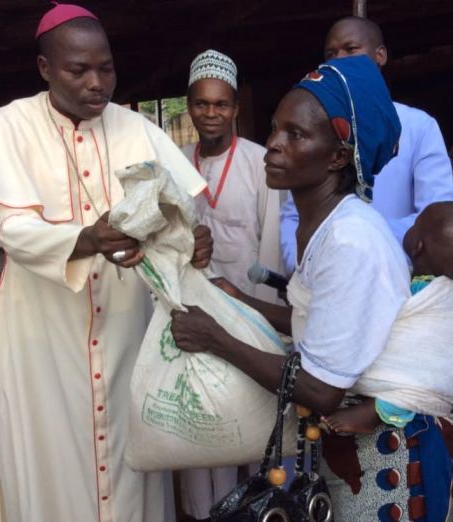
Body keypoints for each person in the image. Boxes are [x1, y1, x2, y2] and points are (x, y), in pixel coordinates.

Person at [171, 55, 453, 522]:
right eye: (274, 128)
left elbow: (320, 390)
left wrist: (215, 339)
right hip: (357, 454)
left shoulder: (350, 239)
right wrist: (240, 300)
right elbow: (322, 322)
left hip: (391, 464)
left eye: (295, 135)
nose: (273, 146)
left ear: (338, 156)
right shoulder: (327, 225)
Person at [0, 5, 213, 521]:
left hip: (126, 325)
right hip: (42, 332)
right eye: (79, 70)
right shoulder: (6, 127)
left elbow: (178, 209)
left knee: (129, 454)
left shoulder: (134, 127)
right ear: (45, 67)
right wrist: (85, 239)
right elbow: (10, 229)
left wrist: (192, 239)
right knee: (53, 455)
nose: (97, 83)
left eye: (106, 68)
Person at [179, 49, 283, 521]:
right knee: (204, 422)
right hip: (194, 318)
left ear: (236, 108)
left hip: (250, 316)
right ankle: (206, 513)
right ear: (190, 106)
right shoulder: (178, 166)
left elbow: (271, 252)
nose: (211, 113)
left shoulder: (262, 164)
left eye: (221, 104)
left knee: (254, 424)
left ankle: (261, 507)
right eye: (202, 104)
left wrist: (258, 319)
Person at [279, 16, 453, 274]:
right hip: (321, 277)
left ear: (380, 55)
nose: (339, 60)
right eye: (331, 53)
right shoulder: (318, 130)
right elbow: (292, 214)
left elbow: (438, 217)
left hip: (397, 277)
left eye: (351, 50)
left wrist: (356, 245)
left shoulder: (418, 126)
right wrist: (301, 264)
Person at [322, 201, 453, 435]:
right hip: (451, 378)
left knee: (409, 383)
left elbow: (369, 319)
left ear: (417, 245)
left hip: (437, 375)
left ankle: (373, 411)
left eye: (415, 224)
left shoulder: (418, 293)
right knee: (430, 388)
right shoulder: (440, 291)